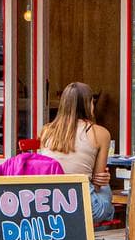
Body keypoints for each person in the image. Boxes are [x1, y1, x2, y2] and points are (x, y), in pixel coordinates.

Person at [36, 82, 114, 225]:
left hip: (48, 206)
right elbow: (97, 184)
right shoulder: (101, 133)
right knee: (106, 189)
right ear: (89, 104)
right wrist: (104, 179)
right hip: (84, 208)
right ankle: (97, 230)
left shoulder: (46, 131)